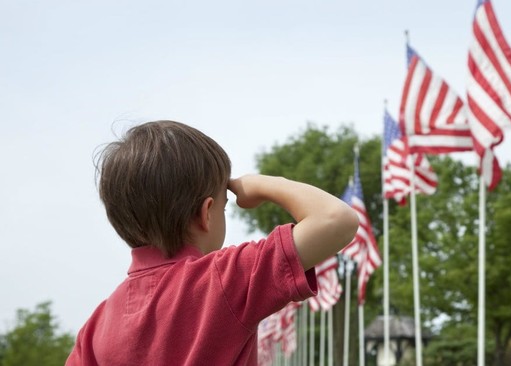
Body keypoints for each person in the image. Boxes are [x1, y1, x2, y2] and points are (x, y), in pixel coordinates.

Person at [66, 120, 359, 365]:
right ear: (206, 214)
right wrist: (261, 184)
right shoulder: (223, 279)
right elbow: (336, 219)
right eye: (224, 206)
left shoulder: (95, 328)